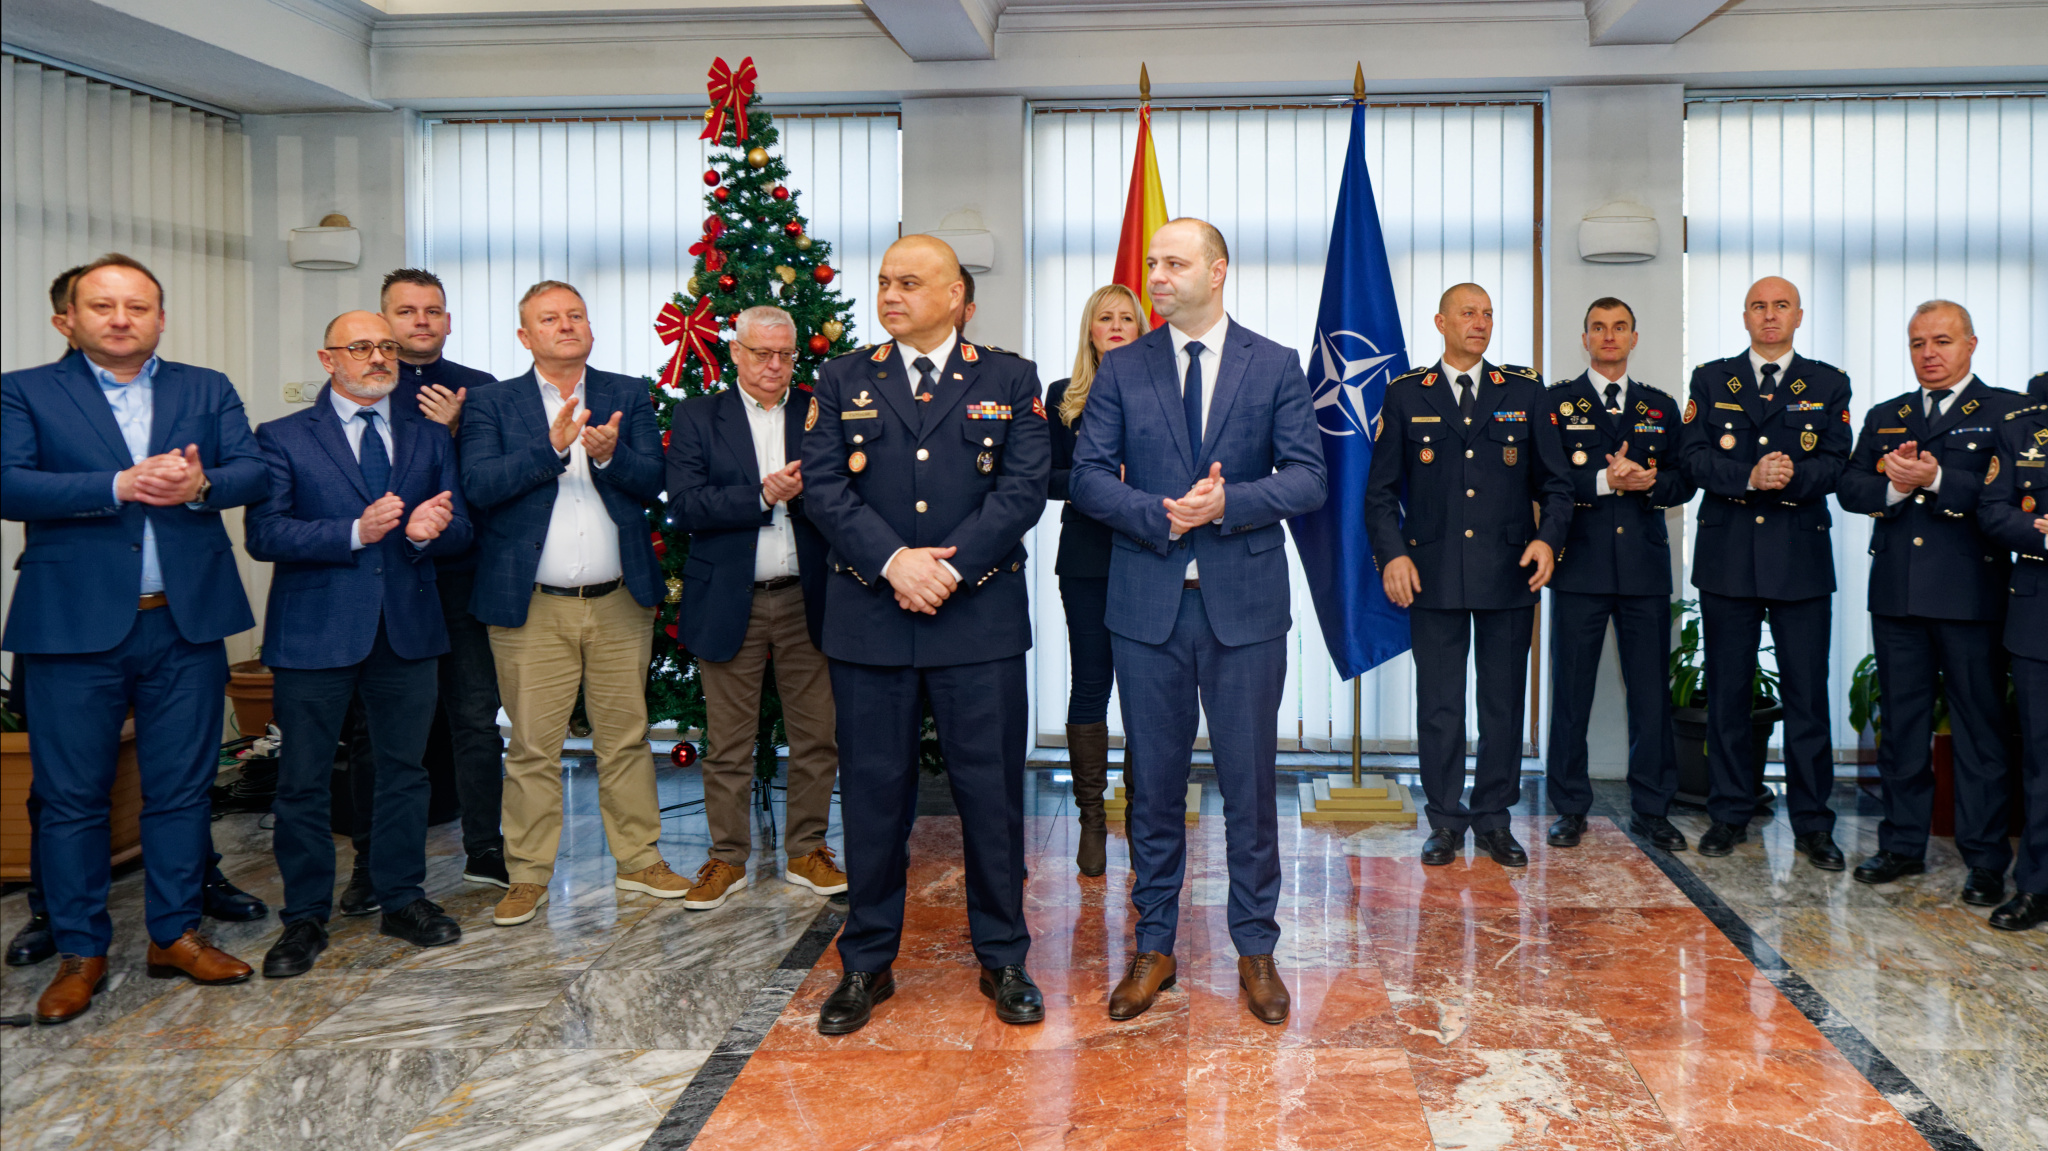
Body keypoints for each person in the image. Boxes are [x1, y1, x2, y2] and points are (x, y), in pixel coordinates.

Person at [1, 253, 270, 1023]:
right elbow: (8, 481)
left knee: (182, 789)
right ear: (68, 320)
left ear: (161, 317)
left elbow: (253, 471)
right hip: (71, 625)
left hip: (183, 622)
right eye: (103, 305)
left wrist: (202, 484)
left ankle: (174, 934)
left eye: (138, 306)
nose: (122, 319)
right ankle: (79, 951)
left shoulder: (205, 387)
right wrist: (116, 485)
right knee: (71, 799)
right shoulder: (24, 391)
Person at [1072, 218, 1327, 1025]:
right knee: (1152, 786)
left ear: (1217, 271)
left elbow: (1309, 477)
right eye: (1153, 262)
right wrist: (1159, 512)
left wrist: (1229, 503)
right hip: (1146, 607)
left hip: (1244, 609)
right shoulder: (1124, 365)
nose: (1157, 275)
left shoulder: (1273, 363)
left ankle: (1256, 949)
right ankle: (1154, 946)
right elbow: (1086, 477)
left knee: (1250, 784)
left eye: (1174, 263)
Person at [801, 234, 1050, 1035]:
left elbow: (1022, 490)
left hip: (977, 620)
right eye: (884, 281)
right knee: (874, 799)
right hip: (872, 620)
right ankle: (866, 963)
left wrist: (948, 568)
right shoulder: (842, 377)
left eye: (909, 282)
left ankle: (1003, 957)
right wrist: (894, 563)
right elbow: (824, 487)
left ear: (955, 297)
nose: (890, 294)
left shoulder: (1009, 378)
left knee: (992, 797)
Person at [246, 312, 472, 976]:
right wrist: (354, 531)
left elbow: (462, 529)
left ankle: (401, 897)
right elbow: (265, 533)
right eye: (363, 346)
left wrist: (428, 533)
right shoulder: (283, 435)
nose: (379, 357)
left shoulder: (427, 436)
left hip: (406, 628)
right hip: (314, 632)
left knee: (405, 772)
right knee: (304, 780)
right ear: (329, 359)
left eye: (387, 347)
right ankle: (305, 917)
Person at [460, 280, 687, 927]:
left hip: (618, 602)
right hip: (531, 607)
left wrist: (612, 457)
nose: (566, 326)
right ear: (524, 336)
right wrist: (551, 449)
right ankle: (528, 874)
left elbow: (655, 480)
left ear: (590, 328)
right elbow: (479, 485)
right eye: (550, 318)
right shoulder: (492, 403)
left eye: (576, 315)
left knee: (626, 739)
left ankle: (640, 860)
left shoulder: (625, 393)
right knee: (533, 747)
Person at [1365, 283, 1572, 869]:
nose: (1479, 323)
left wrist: (1548, 539)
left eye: (1487, 314)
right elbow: (1379, 494)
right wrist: (1392, 556)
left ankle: (1494, 819)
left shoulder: (1524, 392)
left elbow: (1557, 486)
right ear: (1441, 322)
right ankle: (1445, 820)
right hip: (1431, 574)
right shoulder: (1406, 394)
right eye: (1467, 313)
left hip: (1509, 572)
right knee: (1440, 707)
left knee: (1502, 704)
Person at [1839, 301, 2021, 902]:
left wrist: (1937, 480)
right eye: (1918, 343)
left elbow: (2009, 494)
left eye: (1942, 340)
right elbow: (1851, 487)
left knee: (1979, 730)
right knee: (1903, 727)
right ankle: (1901, 845)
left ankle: (1985, 859)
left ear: (1971, 344)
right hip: (1899, 593)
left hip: (1971, 594)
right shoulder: (1887, 415)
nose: (1929, 353)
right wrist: (1894, 486)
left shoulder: (2005, 412)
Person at [665, 304, 846, 910]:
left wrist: (805, 495)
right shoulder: (698, 416)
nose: (774, 365)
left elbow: (849, 495)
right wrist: (762, 495)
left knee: (816, 736)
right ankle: (726, 858)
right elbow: (684, 506)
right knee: (728, 743)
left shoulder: (818, 413)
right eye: (762, 353)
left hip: (807, 597)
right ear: (736, 353)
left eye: (785, 354)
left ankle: (807, 850)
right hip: (728, 598)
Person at [1677, 276, 1854, 867]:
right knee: (1728, 695)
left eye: (1781, 306)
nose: (1770, 315)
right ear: (1745, 316)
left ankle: (1813, 823)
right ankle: (1729, 813)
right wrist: (1749, 477)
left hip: (1800, 561)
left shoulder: (1827, 382)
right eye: (1759, 306)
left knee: (1807, 699)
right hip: (1728, 559)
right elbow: (1693, 457)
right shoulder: (1712, 379)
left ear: (1798, 315)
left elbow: (1837, 463)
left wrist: (1790, 477)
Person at [1542, 298, 1693, 853]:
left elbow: (1684, 480)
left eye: (1620, 327)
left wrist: (1650, 481)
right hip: (1579, 568)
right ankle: (1569, 807)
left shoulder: (1660, 406)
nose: (1609, 336)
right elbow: (1546, 478)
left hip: (1643, 572)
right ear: (1585, 338)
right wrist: (1607, 482)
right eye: (1599, 328)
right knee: (1571, 694)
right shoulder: (1556, 403)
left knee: (1650, 696)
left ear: (1634, 337)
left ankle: (1653, 809)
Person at [379, 267, 508, 892]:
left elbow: (493, 489)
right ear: (385, 321)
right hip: (389, 580)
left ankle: (484, 848)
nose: (421, 321)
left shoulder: (482, 390)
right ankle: (376, 865)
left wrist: (458, 431)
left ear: (449, 321)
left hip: (463, 579)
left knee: (476, 719)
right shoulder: (366, 387)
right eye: (406, 311)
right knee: (382, 729)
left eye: (432, 310)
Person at [1047, 283, 1148, 877]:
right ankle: (1091, 817)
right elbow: (1046, 478)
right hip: (1086, 558)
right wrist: (1103, 477)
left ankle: (1139, 818)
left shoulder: (1164, 391)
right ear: (1091, 329)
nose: (1115, 326)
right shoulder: (1063, 397)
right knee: (1090, 683)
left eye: (1125, 318)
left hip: (1148, 557)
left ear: (1140, 329)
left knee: (1144, 692)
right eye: (1104, 317)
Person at [1978, 396, 2048, 932]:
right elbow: (1993, 510)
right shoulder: (2021, 429)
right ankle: (2036, 887)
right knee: (2042, 762)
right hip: (2038, 613)